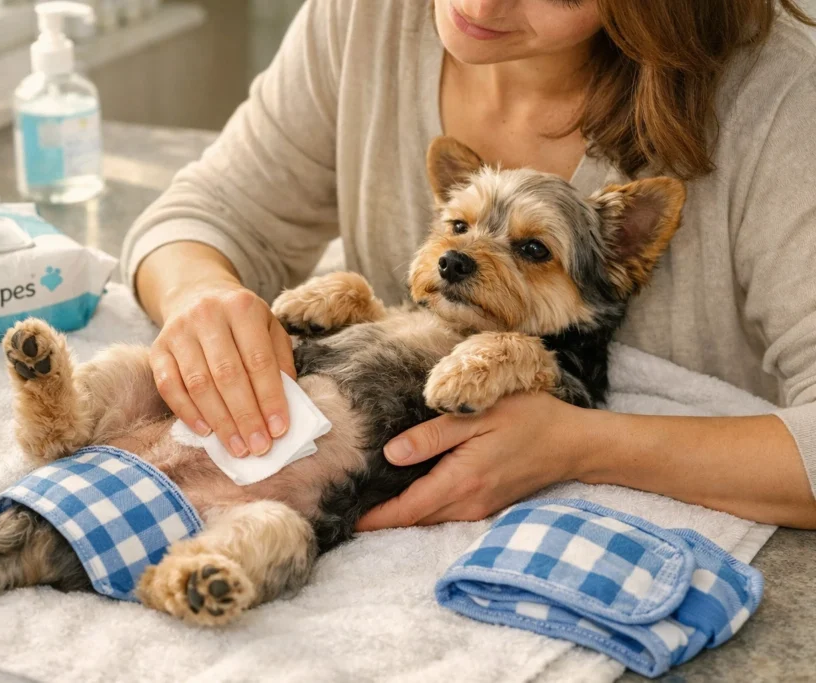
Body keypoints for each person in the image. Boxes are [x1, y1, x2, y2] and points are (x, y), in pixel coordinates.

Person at [123, 0, 816, 530]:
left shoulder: (783, 103)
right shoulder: (370, 17)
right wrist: (201, 296)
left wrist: (581, 446)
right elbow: (207, 212)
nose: (480, 8)